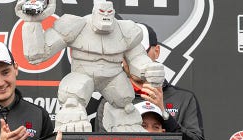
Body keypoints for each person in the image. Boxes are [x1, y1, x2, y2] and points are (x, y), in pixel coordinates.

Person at [15, 0, 165, 132]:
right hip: (83, 73)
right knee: (73, 100)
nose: (105, 15)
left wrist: (148, 68)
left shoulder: (125, 30)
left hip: (113, 76)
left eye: (109, 12)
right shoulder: (76, 25)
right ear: (94, 12)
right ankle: (71, 127)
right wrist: (32, 23)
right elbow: (37, 54)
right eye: (101, 12)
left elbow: (137, 57)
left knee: (124, 105)